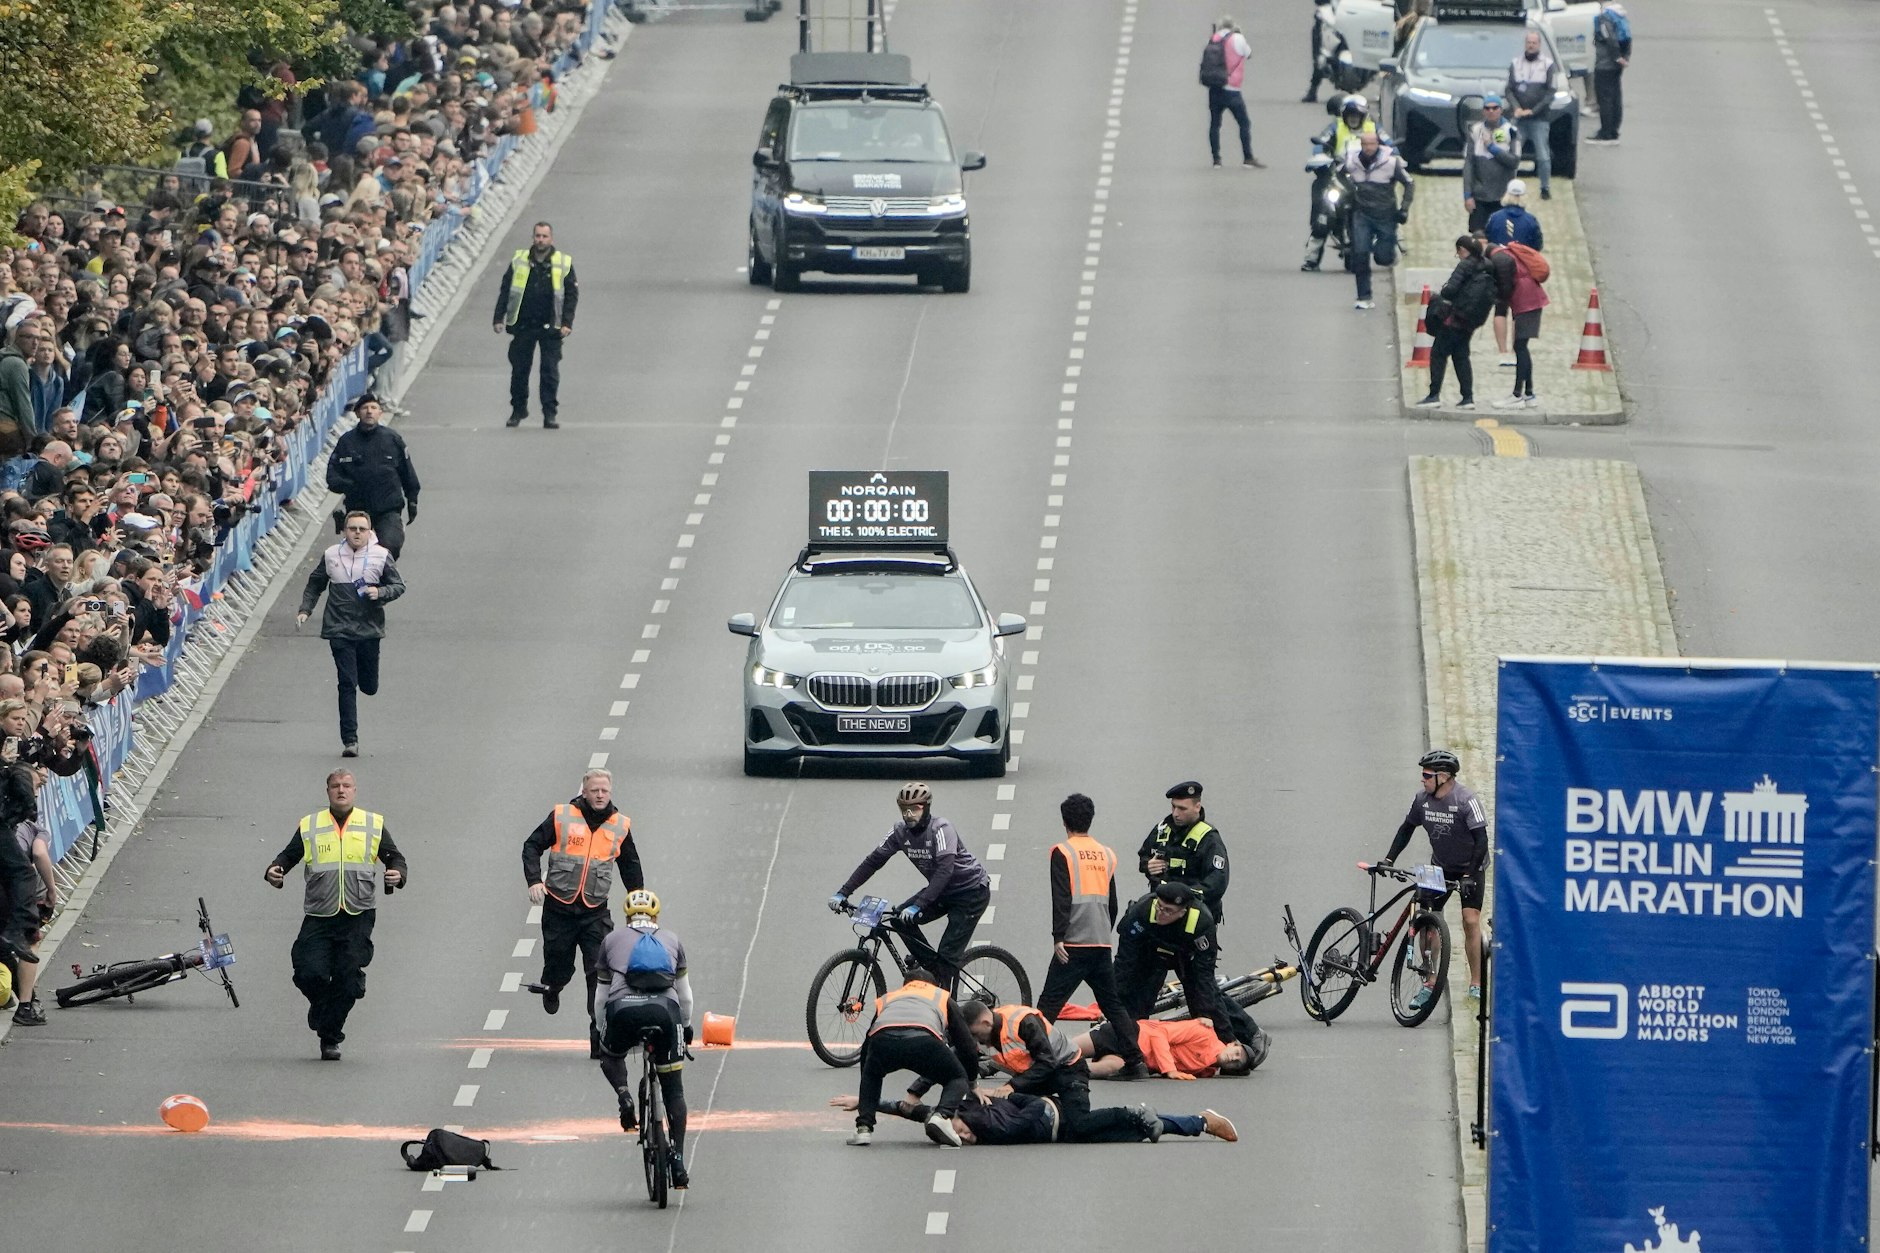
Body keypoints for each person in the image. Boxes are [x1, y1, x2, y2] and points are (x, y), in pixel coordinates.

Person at [264, 770, 408, 1060]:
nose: (341, 791)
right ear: (327, 791)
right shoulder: (311, 825)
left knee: (347, 980)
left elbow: (395, 858)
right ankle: (321, 1007)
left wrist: (398, 874)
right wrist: (274, 871)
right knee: (308, 972)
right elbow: (288, 856)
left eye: (346, 786)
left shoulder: (372, 823)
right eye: (335, 786)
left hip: (358, 913)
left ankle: (330, 1037)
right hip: (320, 913)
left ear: (355, 791)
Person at [522, 767, 642, 1058]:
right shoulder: (563, 816)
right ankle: (553, 986)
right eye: (594, 790)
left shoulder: (619, 825)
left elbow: (630, 865)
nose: (600, 795)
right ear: (584, 792)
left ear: (610, 792)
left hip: (595, 913)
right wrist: (535, 881)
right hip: (559, 909)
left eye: (605, 791)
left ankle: (597, 1032)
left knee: (599, 973)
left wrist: (638, 902)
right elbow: (531, 846)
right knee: (559, 964)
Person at [1036, 793, 1148, 1077]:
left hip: (1073, 942)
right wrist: (1104, 931)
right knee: (1112, 1005)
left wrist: (1058, 936)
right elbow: (1112, 901)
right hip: (1100, 941)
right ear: (1090, 820)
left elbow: (1061, 897)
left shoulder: (1062, 851)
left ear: (1064, 822)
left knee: (1047, 1006)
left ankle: (1033, 1059)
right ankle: (1136, 1061)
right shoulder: (1106, 853)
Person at [830, 782, 991, 977]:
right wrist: (843, 892)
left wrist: (919, 905)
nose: (909, 815)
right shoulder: (899, 831)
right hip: (941, 891)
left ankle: (948, 1001)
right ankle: (933, 973)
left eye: (915, 809)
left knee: (948, 957)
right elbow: (873, 861)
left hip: (971, 891)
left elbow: (944, 872)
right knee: (899, 920)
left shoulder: (941, 829)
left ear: (926, 808)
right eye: (904, 810)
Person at [594, 889, 693, 1189]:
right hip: (665, 1013)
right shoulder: (672, 940)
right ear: (656, 917)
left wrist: (602, 1030)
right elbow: (685, 997)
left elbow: (600, 998)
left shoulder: (611, 940)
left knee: (610, 1055)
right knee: (674, 1092)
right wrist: (685, 1028)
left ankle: (624, 1095)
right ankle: (677, 1158)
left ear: (627, 918)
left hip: (624, 1011)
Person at [1380, 748, 1487, 1003]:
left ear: (1444, 777)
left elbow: (1481, 840)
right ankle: (1429, 980)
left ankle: (1476, 982)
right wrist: (1389, 859)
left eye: (1427, 775)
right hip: (1438, 866)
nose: (1422, 779)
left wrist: (1469, 875)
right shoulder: (1421, 800)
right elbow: (1406, 828)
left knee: (1470, 921)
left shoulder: (1466, 800)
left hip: (1470, 867)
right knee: (1426, 922)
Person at [297, 509, 407, 757]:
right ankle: (350, 740)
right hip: (339, 628)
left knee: (368, 686)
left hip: (369, 629)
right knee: (347, 683)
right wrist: (305, 609)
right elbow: (315, 584)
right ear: (344, 531)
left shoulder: (380, 556)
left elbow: (398, 586)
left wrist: (380, 593)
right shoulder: (331, 555)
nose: (357, 533)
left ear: (370, 533)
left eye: (362, 529)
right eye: (352, 528)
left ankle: (366, 681)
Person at [1115, 881, 1256, 1051]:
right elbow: (1125, 961)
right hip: (1149, 954)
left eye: (1168, 911)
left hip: (1186, 957)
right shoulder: (1141, 911)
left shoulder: (1202, 921)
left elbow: (1204, 975)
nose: (1161, 913)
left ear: (1183, 912)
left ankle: (1231, 1042)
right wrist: (1115, 1000)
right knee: (1136, 999)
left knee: (1204, 999)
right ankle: (1130, 1047)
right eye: (1160, 907)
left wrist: (1206, 1014)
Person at [847, 966, 980, 1147]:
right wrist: (971, 1082)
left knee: (872, 1074)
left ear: (906, 985)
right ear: (933, 984)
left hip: (883, 1041)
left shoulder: (890, 998)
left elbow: (867, 1045)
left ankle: (863, 1128)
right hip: (922, 1040)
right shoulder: (941, 995)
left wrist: (867, 1081)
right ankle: (942, 1116)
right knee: (957, 1077)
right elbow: (966, 1045)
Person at [831, 1090, 1238, 1146]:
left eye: (958, 1133)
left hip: (1050, 1113)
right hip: (1055, 1131)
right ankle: (1198, 1122)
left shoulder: (971, 1111)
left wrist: (865, 1102)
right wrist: (868, 1107)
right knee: (1132, 1135)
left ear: (951, 1117)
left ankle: (1133, 1110)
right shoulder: (974, 1124)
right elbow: (908, 1114)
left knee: (1098, 1122)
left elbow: (911, 1109)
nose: (965, 1138)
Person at [493, 221, 578, 429]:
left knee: (549, 372)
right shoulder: (519, 260)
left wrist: (567, 322)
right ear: (533, 238)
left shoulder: (563, 262)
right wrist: (498, 317)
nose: (540, 240)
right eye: (538, 236)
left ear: (551, 239)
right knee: (520, 371)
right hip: (523, 325)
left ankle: (549, 413)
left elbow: (571, 295)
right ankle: (518, 409)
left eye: (544, 236)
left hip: (552, 325)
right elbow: (506, 290)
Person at [325, 393, 419, 559]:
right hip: (358, 509)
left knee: (391, 546)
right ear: (357, 413)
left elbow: (407, 471)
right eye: (365, 408)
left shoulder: (392, 439)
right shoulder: (347, 442)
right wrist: (350, 486)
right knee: (358, 553)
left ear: (380, 413)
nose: (369, 411)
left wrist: (412, 499)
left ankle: (385, 579)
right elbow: (332, 477)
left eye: (374, 408)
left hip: (388, 507)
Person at [1414, 236, 1497, 411]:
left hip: (1455, 319)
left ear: (1463, 250)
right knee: (1461, 356)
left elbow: (1450, 290)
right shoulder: (1487, 266)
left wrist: (1442, 292)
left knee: (1438, 354)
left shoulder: (1465, 265)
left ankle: (1433, 395)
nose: (1458, 255)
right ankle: (1467, 397)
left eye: (1458, 252)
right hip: (1471, 321)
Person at [1302, 96, 1378, 272]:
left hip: (1367, 177)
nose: (1353, 118)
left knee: (1384, 206)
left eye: (1357, 115)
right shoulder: (1335, 127)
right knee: (1323, 215)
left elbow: (1389, 144)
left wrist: (1393, 154)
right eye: (1350, 115)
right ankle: (1311, 259)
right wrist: (1321, 156)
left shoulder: (1373, 127)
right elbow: (1320, 144)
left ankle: (1391, 243)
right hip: (1338, 176)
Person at [1137, 780, 1229, 923]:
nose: (1175, 814)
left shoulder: (1209, 839)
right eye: (1173, 807)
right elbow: (1144, 857)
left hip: (1195, 917)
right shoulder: (1162, 830)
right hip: (1160, 913)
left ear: (1197, 807)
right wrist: (1148, 865)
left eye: (1182, 809)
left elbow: (1216, 884)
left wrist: (1181, 898)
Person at [1341, 130, 1414, 312]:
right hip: (1361, 215)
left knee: (1383, 257)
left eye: (1372, 144)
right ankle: (1363, 296)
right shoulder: (1352, 161)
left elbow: (1409, 183)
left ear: (1378, 145)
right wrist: (1349, 192)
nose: (1368, 148)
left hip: (1385, 215)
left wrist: (1404, 208)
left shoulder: (1390, 163)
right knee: (1360, 254)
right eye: (1365, 144)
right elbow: (1339, 175)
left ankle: (1388, 253)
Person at [1078, 1015, 1258, 1080]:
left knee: (1083, 1070)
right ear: (1232, 1044)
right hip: (1128, 1035)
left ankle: (1053, 1072)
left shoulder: (1208, 1070)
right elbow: (1159, 1034)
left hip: (1133, 1060)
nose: (1233, 1058)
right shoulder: (1204, 1033)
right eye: (1236, 1053)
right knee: (1066, 1050)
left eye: (1237, 1063)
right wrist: (1169, 1070)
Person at [1489, 237, 1548, 410]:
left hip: (1526, 304)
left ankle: (1517, 395)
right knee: (1522, 347)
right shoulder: (1507, 254)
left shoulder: (1500, 260)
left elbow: (1505, 288)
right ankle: (1529, 394)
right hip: (1532, 301)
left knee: (1520, 348)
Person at [1203, 17, 1265, 169]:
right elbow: (1248, 54)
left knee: (1215, 124)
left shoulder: (1214, 38)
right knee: (1244, 123)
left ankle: (1216, 159)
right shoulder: (1237, 38)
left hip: (1215, 88)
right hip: (1232, 90)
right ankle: (1248, 158)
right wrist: (1239, 34)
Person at [1504, 30, 1559, 200]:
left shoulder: (1548, 65)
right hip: (1519, 118)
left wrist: (1534, 111)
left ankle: (1545, 187)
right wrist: (1516, 108)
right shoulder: (1516, 63)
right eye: (1528, 42)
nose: (1531, 45)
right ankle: (1508, 186)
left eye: (1534, 43)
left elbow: (1550, 93)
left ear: (1539, 45)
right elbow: (1509, 89)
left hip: (1539, 119)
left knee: (1543, 155)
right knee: (1513, 154)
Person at [1462, 96, 1521, 233]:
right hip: (1480, 196)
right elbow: (1469, 164)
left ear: (1501, 110)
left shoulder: (1511, 131)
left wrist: (1492, 148)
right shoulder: (1475, 131)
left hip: (1503, 196)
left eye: (1495, 108)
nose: (1491, 111)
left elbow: (1514, 162)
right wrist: (1467, 195)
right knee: (1478, 236)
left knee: (1501, 236)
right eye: (1487, 108)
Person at [1588, 2, 1631, 144]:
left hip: (1605, 64)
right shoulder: (1621, 16)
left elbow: (1608, 37)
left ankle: (1606, 132)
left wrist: (1616, 56)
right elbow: (1628, 38)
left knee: (1604, 99)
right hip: (1617, 66)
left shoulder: (1604, 18)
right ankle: (1614, 130)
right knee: (1615, 97)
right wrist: (1624, 58)